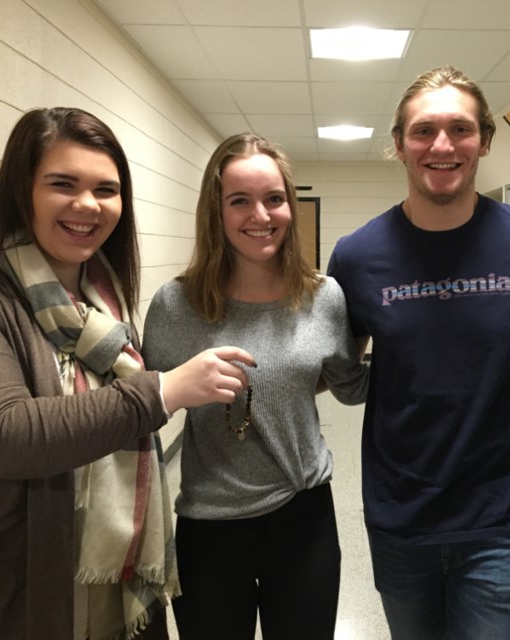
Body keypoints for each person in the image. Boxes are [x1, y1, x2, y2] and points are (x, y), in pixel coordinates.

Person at [0, 107, 257, 640]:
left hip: (117, 595)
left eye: (106, 190)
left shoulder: (98, 294)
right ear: (22, 191)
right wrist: (163, 390)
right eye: (63, 184)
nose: (87, 205)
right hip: (6, 598)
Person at [326, 66, 510, 639]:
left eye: (460, 129)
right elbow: (338, 359)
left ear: (485, 140)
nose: (442, 146)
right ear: (398, 145)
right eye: (423, 131)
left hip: (499, 519)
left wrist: (502, 388)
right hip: (400, 517)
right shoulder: (358, 256)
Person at [141, 133, 369, 640]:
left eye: (273, 198)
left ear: (290, 203)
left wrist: (405, 338)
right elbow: (143, 410)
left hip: (304, 514)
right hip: (210, 519)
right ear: (215, 212)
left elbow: (350, 387)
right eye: (239, 201)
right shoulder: (175, 305)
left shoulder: (324, 296)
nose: (260, 215)